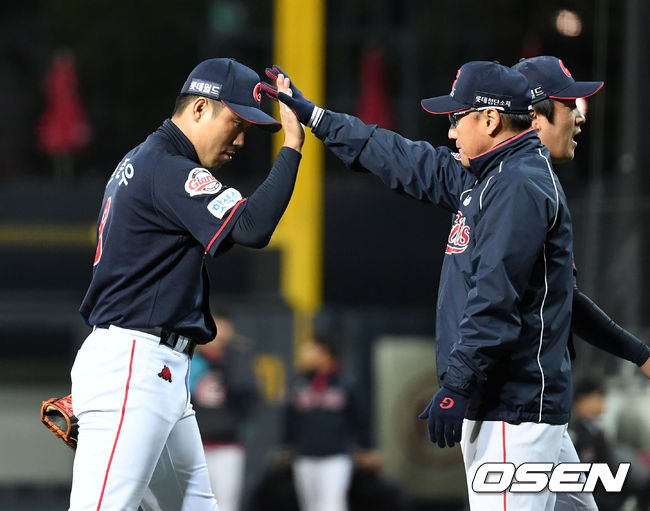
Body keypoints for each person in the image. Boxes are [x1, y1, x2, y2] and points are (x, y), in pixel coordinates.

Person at [261, 60, 582, 510]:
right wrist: (319, 119)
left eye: (456, 118)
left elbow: (494, 299)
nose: (450, 133)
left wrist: (456, 385)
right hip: (520, 406)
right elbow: (402, 158)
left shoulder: (517, 186)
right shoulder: (490, 176)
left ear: (489, 120)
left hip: (511, 409)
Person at [69, 58, 304, 510]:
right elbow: (252, 228)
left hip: (152, 367)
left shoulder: (143, 160)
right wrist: (292, 145)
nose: (239, 140)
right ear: (199, 109)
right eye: (235, 123)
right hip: (133, 364)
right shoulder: (169, 167)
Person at [512, 56, 650, 379]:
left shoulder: (534, 183)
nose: (579, 117)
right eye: (569, 105)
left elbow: (561, 296)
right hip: (518, 405)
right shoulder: (519, 188)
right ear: (533, 117)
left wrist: (640, 355)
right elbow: (490, 302)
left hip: (530, 399)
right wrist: (458, 388)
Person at [284, 333, 375, 511]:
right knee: (309, 506)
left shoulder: (346, 381)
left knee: (331, 505)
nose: (306, 353)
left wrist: (366, 447)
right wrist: (287, 445)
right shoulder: (299, 381)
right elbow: (290, 418)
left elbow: (360, 418)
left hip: (336, 455)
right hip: (305, 454)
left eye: (312, 349)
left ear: (325, 352)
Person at [189, 310, 259, 511]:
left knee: (226, 502)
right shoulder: (190, 355)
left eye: (222, 327)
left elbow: (248, 399)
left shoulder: (237, 358)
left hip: (227, 443)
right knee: (192, 502)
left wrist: (233, 360)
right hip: (194, 444)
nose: (217, 333)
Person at [569, 377, 650, 511]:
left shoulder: (597, 431)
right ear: (582, 401)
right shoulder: (575, 434)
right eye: (597, 397)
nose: (602, 402)